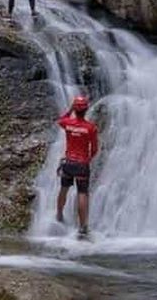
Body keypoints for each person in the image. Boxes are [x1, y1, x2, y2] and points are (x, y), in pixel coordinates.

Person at [56, 95, 99, 236]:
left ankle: (59, 214)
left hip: (68, 162)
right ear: (86, 110)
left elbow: (60, 120)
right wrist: (87, 159)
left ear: (75, 109)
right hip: (82, 164)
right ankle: (83, 226)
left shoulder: (68, 123)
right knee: (82, 193)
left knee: (64, 188)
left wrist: (70, 110)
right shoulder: (90, 128)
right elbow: (94, 149)